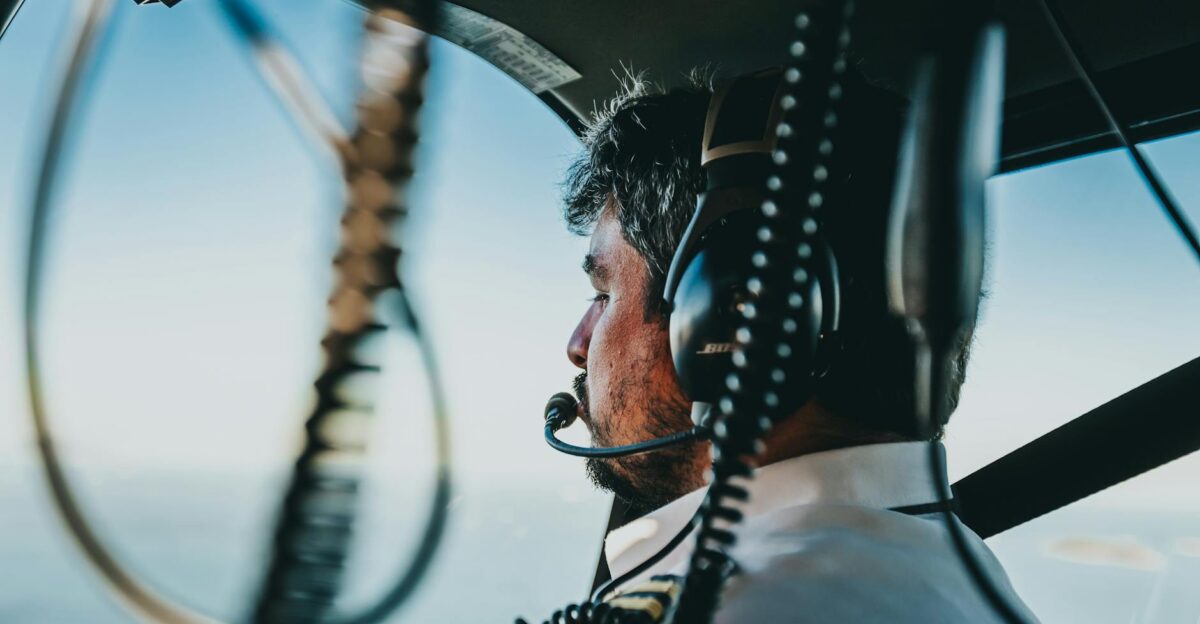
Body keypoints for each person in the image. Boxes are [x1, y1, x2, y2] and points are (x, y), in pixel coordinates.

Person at [559, 71, 1038, 622]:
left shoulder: (737, 607)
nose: (578, 345)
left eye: (603, 294)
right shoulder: (963, 573)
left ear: (726, 313)